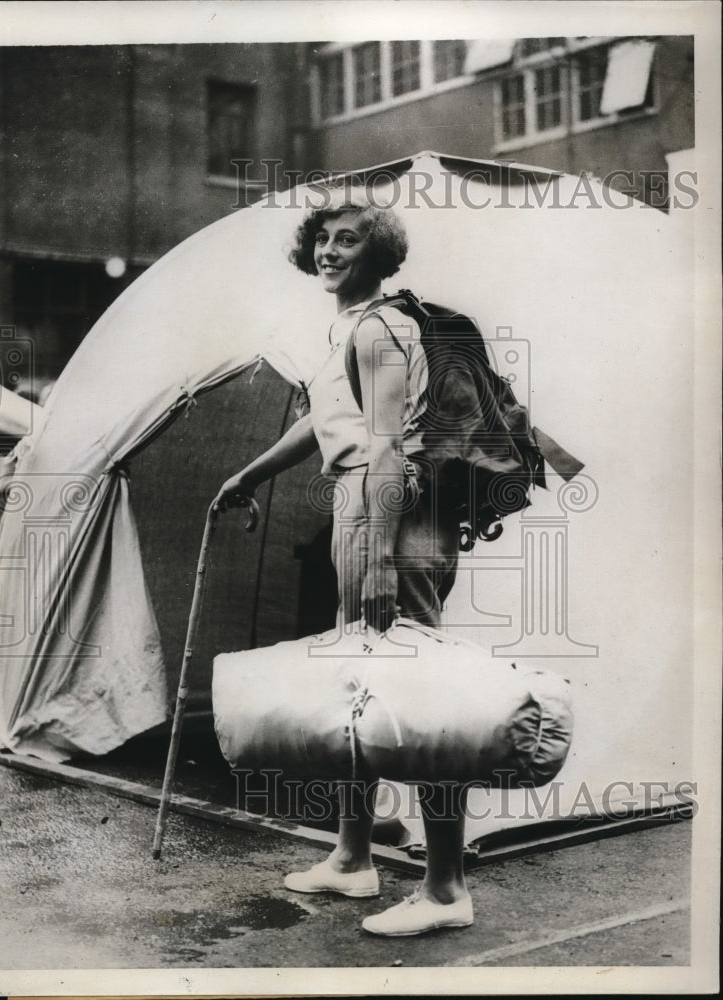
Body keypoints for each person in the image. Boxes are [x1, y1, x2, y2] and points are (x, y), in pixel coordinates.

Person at [211, 184, 474, 936]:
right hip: (360, 504)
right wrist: (248, 474)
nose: (330, 250)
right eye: (323, 238)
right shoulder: (350, 328)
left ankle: (447, 889)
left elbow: (386, 446)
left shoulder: (381, 328)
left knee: (417, 695)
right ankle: (354, 858)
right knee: (357, 681)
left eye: (349, 239)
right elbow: (326, 422)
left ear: (379, 253)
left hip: (388, 511)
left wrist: (383, 557)